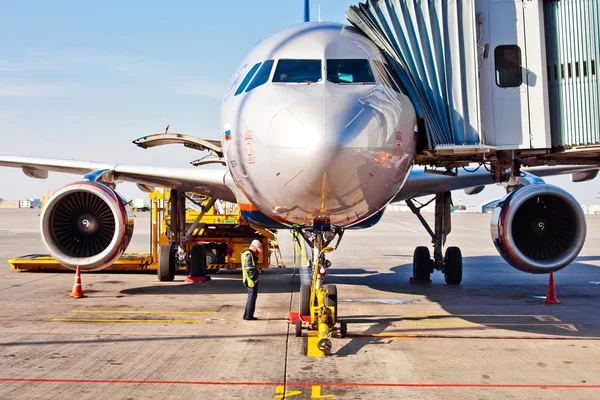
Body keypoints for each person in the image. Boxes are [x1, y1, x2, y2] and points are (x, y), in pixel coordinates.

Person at [242, 239, 262, 320]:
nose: (257, 251)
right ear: (253, 246)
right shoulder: (249, 255)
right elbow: (250, 268)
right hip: (250, 280)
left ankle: (246, 315)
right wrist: (254, 278)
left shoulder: (246, 253)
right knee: (252, 298)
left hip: (247, 279)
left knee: (250, 298)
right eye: (256, 249)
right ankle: (249, 316)